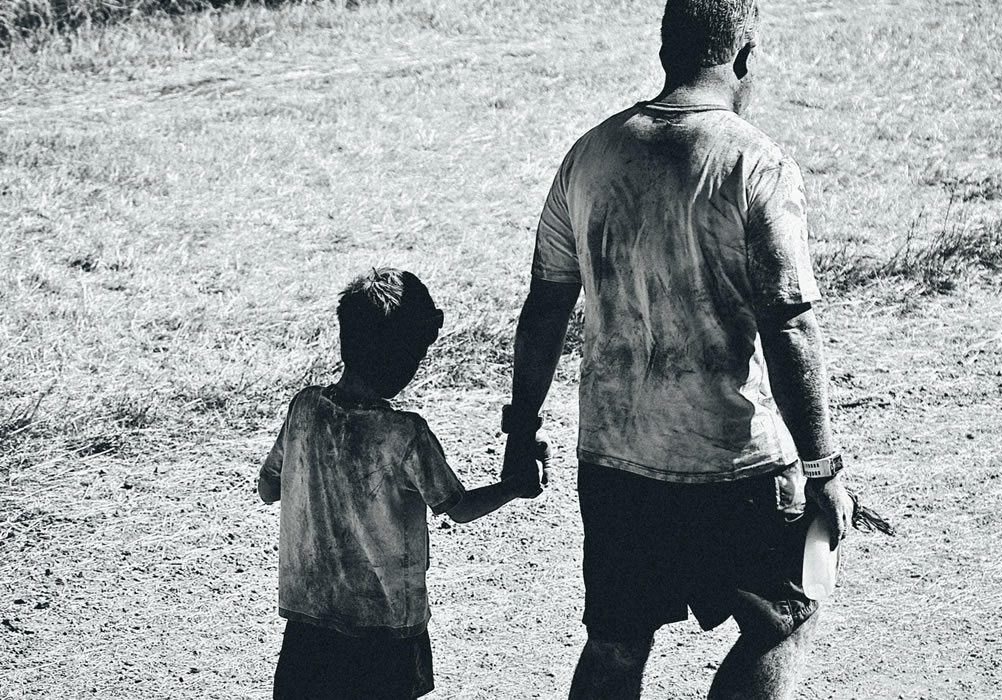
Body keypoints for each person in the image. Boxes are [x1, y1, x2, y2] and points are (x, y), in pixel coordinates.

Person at [499, 1, 855, 698]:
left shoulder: (590, 155)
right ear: (744, 58)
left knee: (614, 642)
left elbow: (544, 310)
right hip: (737, 464)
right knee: (782, 622)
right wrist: (823, 467)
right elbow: (788, 326)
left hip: (615, 462)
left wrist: (521, 430)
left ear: (665, 51)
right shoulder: (755, 164)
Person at [259, 268, 544, 699]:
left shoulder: (305, 409)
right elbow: (459, 508)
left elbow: (267, 488)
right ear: (406, 359)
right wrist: (514, 486)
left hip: (308, 624)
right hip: (385, 629)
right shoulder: (405, 434)